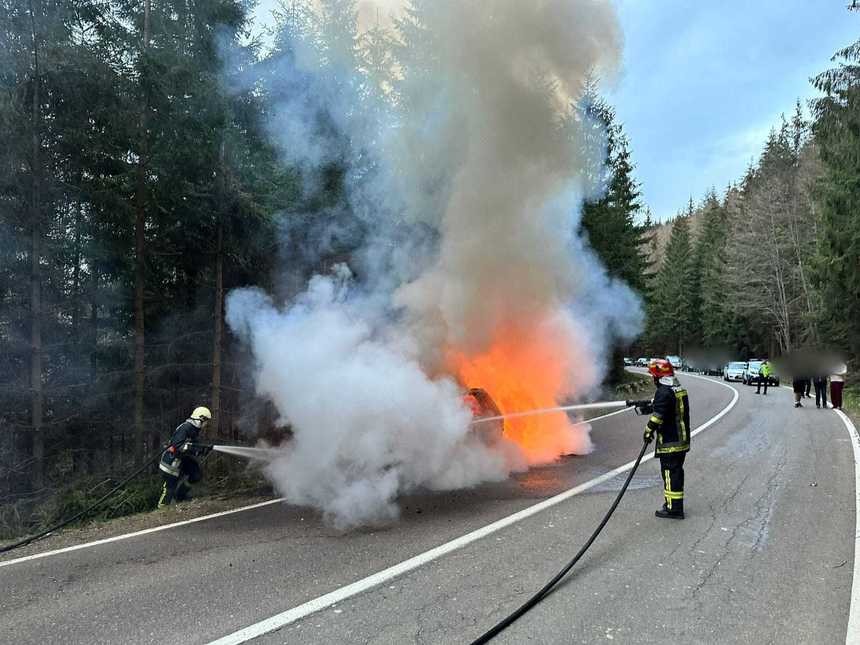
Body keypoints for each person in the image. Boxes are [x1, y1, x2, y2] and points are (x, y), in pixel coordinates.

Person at [643, 359, 690, 520]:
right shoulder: (677, 388)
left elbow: (658, 416)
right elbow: (667, 407)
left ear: (658, 376)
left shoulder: (663, 392)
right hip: (681, 441)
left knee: (670, 474)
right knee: (676, 473)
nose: (652, 379)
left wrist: (648, 430)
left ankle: (673, 509)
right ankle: (673, 504)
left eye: (653, 376)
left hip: (670, 442)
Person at [158, 406, 213, 508]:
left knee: (196, 475)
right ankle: (162, 508)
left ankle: (180, 495)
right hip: (171, 461)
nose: (206, 424)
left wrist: (203, 450)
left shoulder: (194, 429)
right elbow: (177, 446)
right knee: (169, 488)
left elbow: (195, 445)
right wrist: (195, 450)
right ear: (201, 419)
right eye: (206, 421)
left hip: (182, 459)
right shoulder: (185, 427)